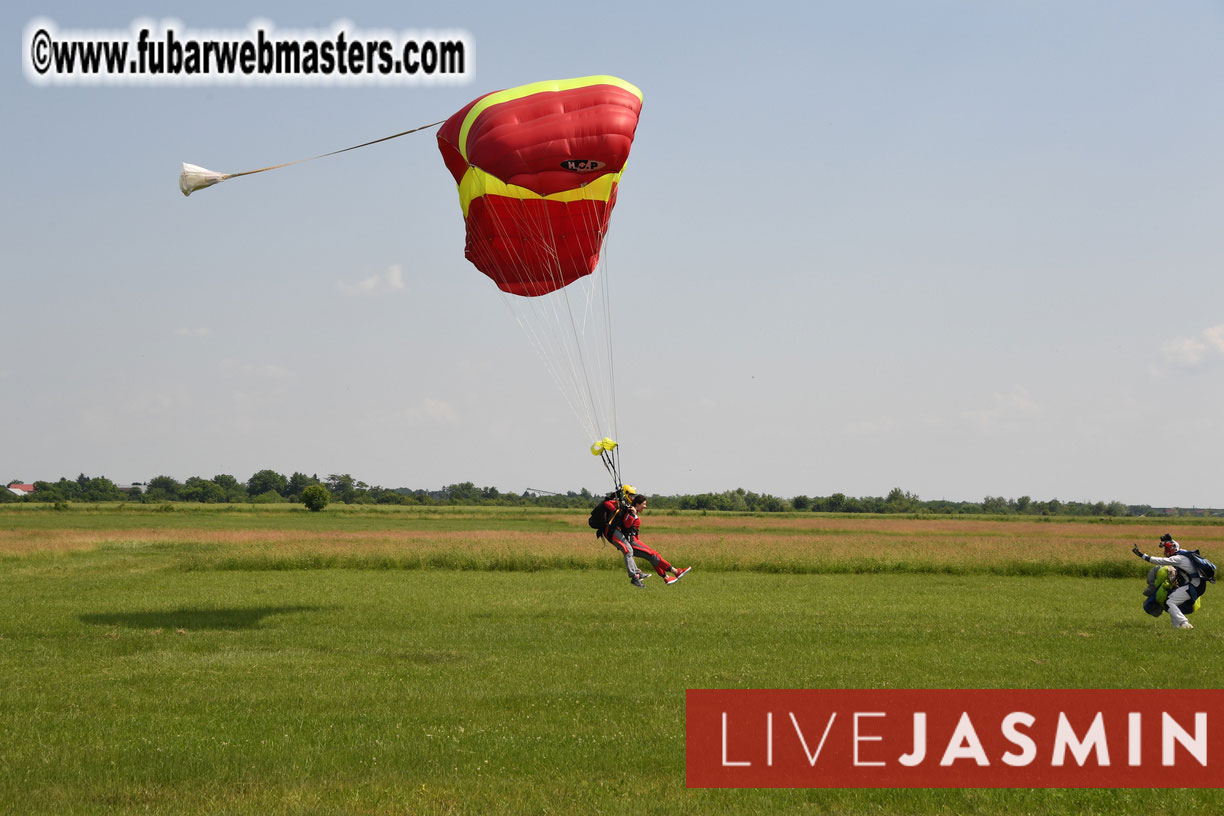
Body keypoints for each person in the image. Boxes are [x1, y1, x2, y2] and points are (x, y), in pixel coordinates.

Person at [608, 492, 690, 588]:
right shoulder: (630, 512)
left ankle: (666, 577)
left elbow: (634, 532)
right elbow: (626, 525)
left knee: (652, 556)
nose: (645, 506)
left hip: (634, 541)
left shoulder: (633, 512)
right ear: (637, 504)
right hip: (631, 542)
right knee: (653, 555)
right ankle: (676, 572)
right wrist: (633, 515)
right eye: (644, 504)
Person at [1133, 534, 1203, 630]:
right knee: (1171, 601)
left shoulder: (1178, 558)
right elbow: (1175, 545)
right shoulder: (1183, 553)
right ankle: (1177, 626)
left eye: (1167, 549)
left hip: (1194, 586)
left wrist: (1142, 555)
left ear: (1173, 549)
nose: (1165, 551)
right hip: (1196, 585)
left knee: (1170, 602)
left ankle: (1185, 623)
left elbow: (1160, 561)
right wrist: (1169, 540)